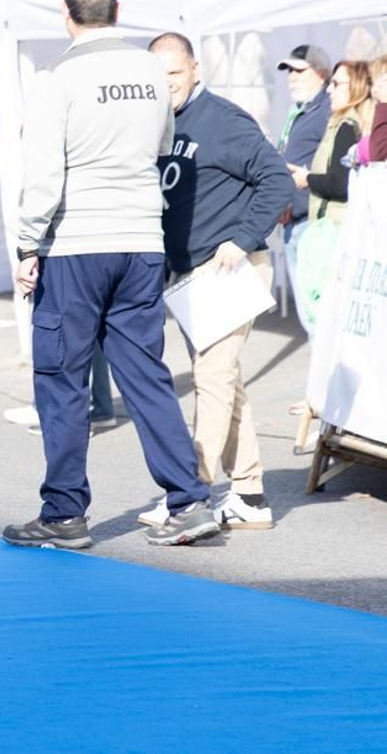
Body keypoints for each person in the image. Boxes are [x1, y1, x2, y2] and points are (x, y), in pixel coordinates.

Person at [4, 0, 217, 550]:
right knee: (146, 374)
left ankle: (65, 513)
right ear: (117, 10)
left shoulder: (56, 78)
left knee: (63, 380)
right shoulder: (150, 71)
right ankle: (189, 500)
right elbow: (160, 145)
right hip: (140, 240)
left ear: (66, 13)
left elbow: (43, 174)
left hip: (76, 244)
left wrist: (28, 244)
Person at [144, 33, 290, 531]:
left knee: (211, 380)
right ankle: (249, 496)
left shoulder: (224, 120)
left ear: (195, 69)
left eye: (174, 73)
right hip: (190, 277)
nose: (167, 84)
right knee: (227, 382)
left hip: (228, 268)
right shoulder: (160, 123)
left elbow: (277, 179)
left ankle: (190, 494)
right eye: (158, 75)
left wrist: (242, 239)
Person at [291, 61, 376, 332]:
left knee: (321, 320)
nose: (329, 89)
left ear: (357, 88)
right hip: (338, 230)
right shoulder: (355, 124)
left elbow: (341, 184)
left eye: (337, 84)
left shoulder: (347, 126)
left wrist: (306, 179)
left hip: (332, 232)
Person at [274, 45, 331, 332]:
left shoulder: (327, 111)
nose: (292, 78)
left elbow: (334, 167)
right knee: (309, 315)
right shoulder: (299, 110)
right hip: (293, 220)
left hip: (314, 223)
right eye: (289, 71)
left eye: (299, 70)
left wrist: (305, 181)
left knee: (319, 314)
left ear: (320, 73)